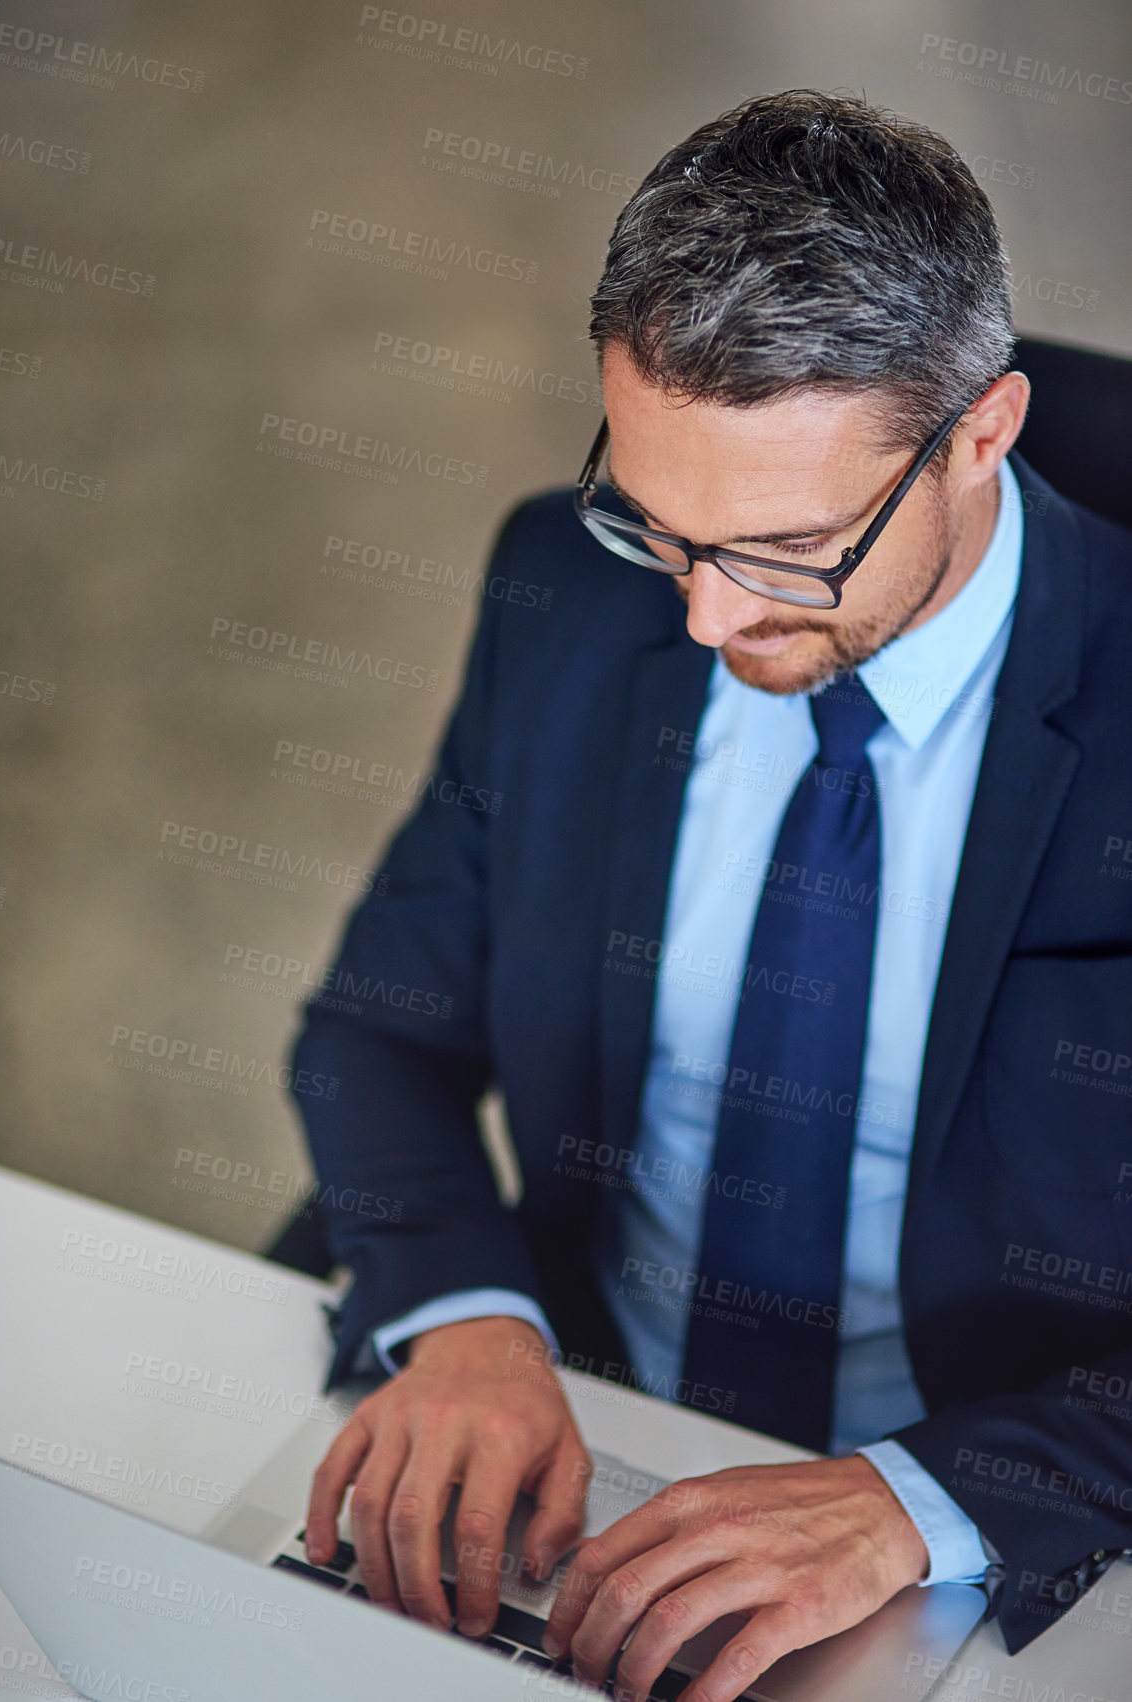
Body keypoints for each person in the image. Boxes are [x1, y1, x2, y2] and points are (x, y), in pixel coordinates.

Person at [287, 89, 1132, 1697]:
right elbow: (373, 1031)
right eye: (661, 526)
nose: (701, 620)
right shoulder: (562, 588)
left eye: (785, 546)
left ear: (980, 435)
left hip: (985, 1530)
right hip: (579, 1434)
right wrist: (467, 1320)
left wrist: (920, 1499)